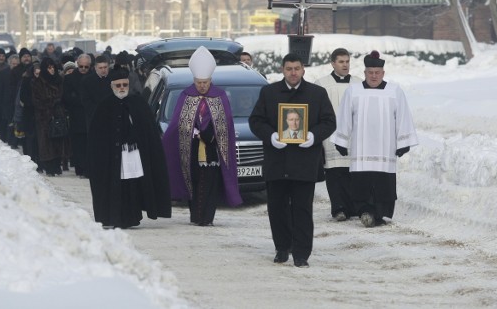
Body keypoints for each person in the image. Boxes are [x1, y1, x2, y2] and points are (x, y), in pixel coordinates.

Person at [249, 53, 336, 268]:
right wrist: (270, 136)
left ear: (303, 70)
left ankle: (301, 253)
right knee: (277, 208)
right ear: (283, 70)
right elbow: (256, 121)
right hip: (277, 161)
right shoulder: (269, 93)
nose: (293, 72)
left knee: (302, 209)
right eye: (289, 69)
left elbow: (329, 121)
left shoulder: (317, 94)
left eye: (297, 68)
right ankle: (281, 247)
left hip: (304, 163)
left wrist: (313, 136)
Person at [331, 50, 418, 228]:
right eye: (370, 73)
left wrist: (403, 143)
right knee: (362, 182)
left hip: (385, 148)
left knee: (383, 183)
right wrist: (341, 140)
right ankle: (365, 211)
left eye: (377, 73)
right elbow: (344, 117)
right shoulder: (353, 91)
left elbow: (403, 117)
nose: (374, 76)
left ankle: (379, 213)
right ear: (364, 73)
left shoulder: (394, 91)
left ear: (383, 73)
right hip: (361, 148)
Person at [162, 46, 242, 226]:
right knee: (194, 182)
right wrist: (195, 131)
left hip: (213, 148)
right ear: (194, 80)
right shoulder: (186, 95)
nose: (202, 86)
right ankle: (195, 216)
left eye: (205, 82)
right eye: (199, 82)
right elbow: (178, 122)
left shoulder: (220, 96)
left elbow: (225, 122)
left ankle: (207, 217)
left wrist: (211, 134)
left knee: (210, 184)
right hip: (190, 149)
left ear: (210, 80)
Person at [86, 67, 171, 229]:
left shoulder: (138, 104)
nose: (122, 88)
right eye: (118, 86)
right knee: (116, 186)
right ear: (112, 86)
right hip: (112, 156)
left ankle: (132, 216)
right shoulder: (104, 107)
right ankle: (114, 217)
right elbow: (97, 136)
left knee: (133, 185)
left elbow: (148, 131)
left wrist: (136, 137)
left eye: (124, 85)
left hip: (133, 154)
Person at [314, 48, 362, 221]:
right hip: (331, 135)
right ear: (333, 63)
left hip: (354, 134)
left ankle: (354, 207)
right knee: (335, 173)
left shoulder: (359, 83)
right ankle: (339, 208)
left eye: (347, 61)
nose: (345, 65)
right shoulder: (321, 84)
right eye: (341, 62)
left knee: (352, 172)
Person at [31, 57, 65, 176]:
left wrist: (58, 103)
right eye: (49, 67)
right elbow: (36, 100)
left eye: (53, 67)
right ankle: (49, 167)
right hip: (44, 117)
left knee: (58, 141)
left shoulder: (59, 80)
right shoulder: (38, 82)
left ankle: (57, 165)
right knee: (46, 143)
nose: (51, 70)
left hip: (58, 115)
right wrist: (50, 103)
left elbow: (63, 95)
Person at [62, 53, 92, 178]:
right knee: (78, 145)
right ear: (77, 65)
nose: (84, 69)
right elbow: (66, 98)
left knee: (89, 145)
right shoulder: (70, 78)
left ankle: (88, 169)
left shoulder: (93, 78)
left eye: (86, 67)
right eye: (81, 67)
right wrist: (81, 101)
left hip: (90, 117)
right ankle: (80, 168)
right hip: (76, 117)